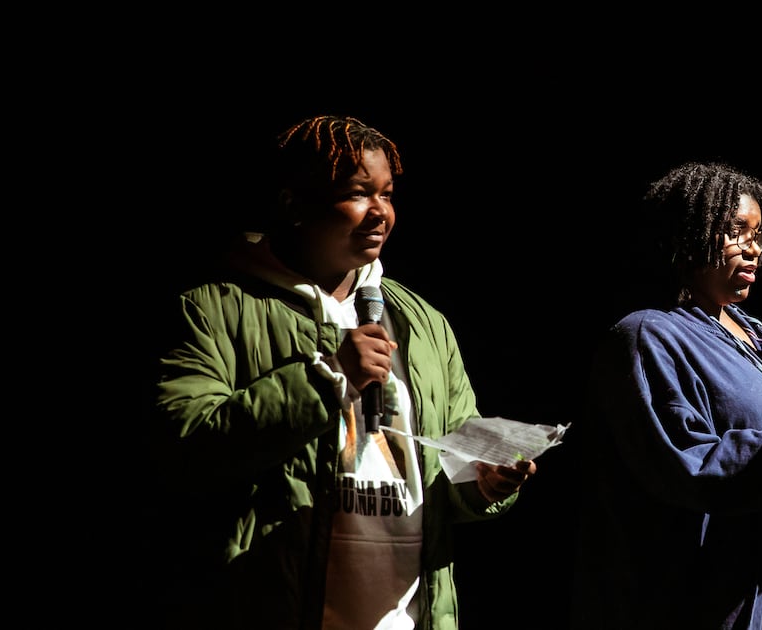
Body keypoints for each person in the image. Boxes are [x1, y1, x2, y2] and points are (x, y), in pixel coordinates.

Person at [148, 114, 536, 630]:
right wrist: (329, 376)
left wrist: (483, 480)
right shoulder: (215, 309)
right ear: (294, 204)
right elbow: (183, 445)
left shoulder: (424, 323)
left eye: (388, 194)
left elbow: (449, 462)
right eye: (359, 193)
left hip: (409, 614)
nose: (380, 213)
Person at [570, 160, 762, 630]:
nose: (754, 250)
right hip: (701, 599)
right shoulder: (647, 336)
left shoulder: (753, 333)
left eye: (759, 236)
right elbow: (692, 465)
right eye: (737, 232)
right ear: (688, 235)